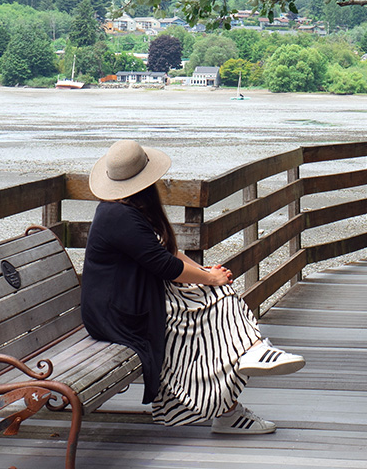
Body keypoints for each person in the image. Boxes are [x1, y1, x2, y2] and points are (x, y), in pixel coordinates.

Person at [81, 139, 304, 435]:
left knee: (213, 295)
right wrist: (211, 278)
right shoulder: (118, 217)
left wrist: (204, 272)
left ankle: (246, 365)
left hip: (130, 301)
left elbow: (166, 252)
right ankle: (241, 378)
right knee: (208, 305)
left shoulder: (124, 209)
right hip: (117, 316)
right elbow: (166, 267)